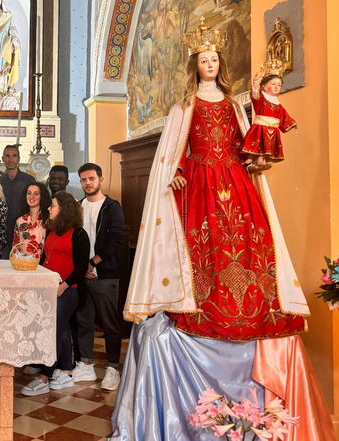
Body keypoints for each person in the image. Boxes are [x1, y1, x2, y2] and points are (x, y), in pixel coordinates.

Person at [112, 20, 332, 440]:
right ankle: (202, 304)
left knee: (249, 240)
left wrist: (255, 162)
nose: (210, 64)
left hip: (234, 180)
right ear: (195, 66)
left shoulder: (234, 105)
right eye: (204, 60)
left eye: (215, 59)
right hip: (199, 184)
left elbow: (245, 143)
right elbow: (173, 149)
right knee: (204, 248)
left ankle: (252, 307)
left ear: (220, 64)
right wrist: (176, 172)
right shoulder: (184, 106)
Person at [21, 191, 90, 396]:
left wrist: (63, 286)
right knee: (59, 330)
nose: (49, 209)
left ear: (65, 209)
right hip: (50, 288)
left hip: (69, 290)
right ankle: (66, 371)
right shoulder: (52, 231)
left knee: (54, 329)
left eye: (53, 205)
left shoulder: (78, 234)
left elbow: (80, 267)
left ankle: (45, 376)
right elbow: (44, 260)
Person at [71, 163, 125, 391]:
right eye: (83, 180)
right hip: (82, 274)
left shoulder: (112, 207)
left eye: (91, 178)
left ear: (100, 180)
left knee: (110, 322)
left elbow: (117, 240)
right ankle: (86, 364)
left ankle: (113, 367)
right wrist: (81, 266)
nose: (87, 183)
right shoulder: (77, 207)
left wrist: (94, 262)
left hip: (105, 274)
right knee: (83, 321)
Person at [241, 60, 296, 167]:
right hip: (261, 127)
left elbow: (283, 114)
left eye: (279, 85)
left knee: (267, 148)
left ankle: (262, 160)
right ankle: (251, 158)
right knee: (258, 144)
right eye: (273, 84)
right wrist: (256, 85)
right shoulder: (261, 98)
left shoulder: (277, 102)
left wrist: (292, 123)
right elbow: (255, 95)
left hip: (272, 129)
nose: (276, 87)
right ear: (264, 86)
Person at [1, 145, 35, 255]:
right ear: (3, 159)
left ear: (19, 159)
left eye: (14, 156)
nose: (11, 159)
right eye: (7, 156)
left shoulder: (28, 180)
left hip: (23, 232)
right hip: (2, 234)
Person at [11, 182, 50, 254]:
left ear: (42, 196)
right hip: (23, 263)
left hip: (42, 264)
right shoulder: (20, 220)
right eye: (29, 193)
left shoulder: (48, 219)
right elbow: (15, 247)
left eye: (36, 194)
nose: (31, 197)